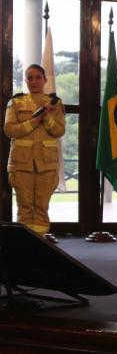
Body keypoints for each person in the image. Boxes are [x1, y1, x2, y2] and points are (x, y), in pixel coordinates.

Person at [4, 64, 65, 237]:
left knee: (42, 207)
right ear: (26, 81)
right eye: (30, 78)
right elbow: (9, 130)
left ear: (45, 80)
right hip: (21, 164)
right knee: (24, 207)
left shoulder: (55, 104)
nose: (34, 81)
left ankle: (40, 242)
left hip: (47, 164)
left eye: (38, 77)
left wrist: (47, 118)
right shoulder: (15, 103)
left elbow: (59, 131)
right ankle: (25, 244)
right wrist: (34, 121)